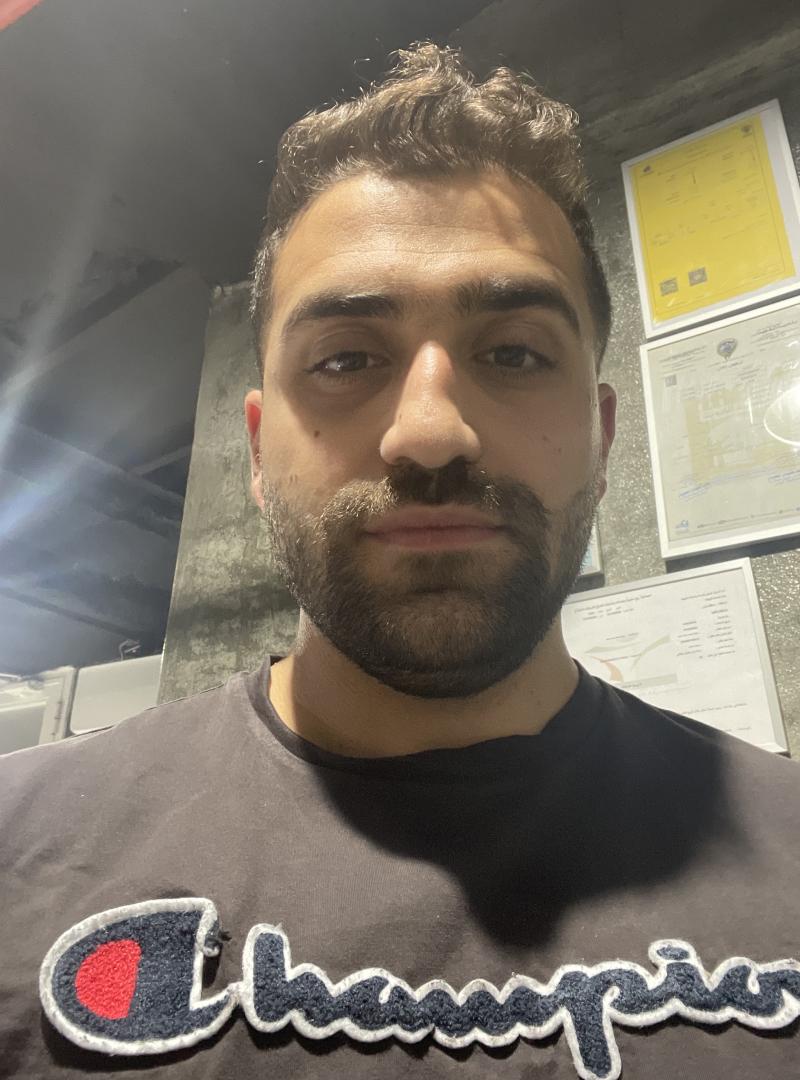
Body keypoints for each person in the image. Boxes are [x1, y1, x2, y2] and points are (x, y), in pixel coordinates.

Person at [1, 41, 798, 1080]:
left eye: (513, 353)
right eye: (345, 360)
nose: (428, 433)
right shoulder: (20, 845)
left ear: (601, 440)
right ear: (256, 454)